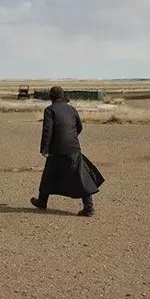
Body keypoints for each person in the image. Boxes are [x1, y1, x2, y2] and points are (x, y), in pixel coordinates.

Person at [30, 86, 104, 216]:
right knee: (81, 176)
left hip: (56, 150)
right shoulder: (71, 109)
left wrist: (44, 149)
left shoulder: (49, 110)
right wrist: (71, 138)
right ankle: (89, 207)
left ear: (51, 97)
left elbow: (47, 131)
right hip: (73, 148)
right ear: (63, 96)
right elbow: (79, 127)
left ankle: (42, 201)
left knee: (48, 175)